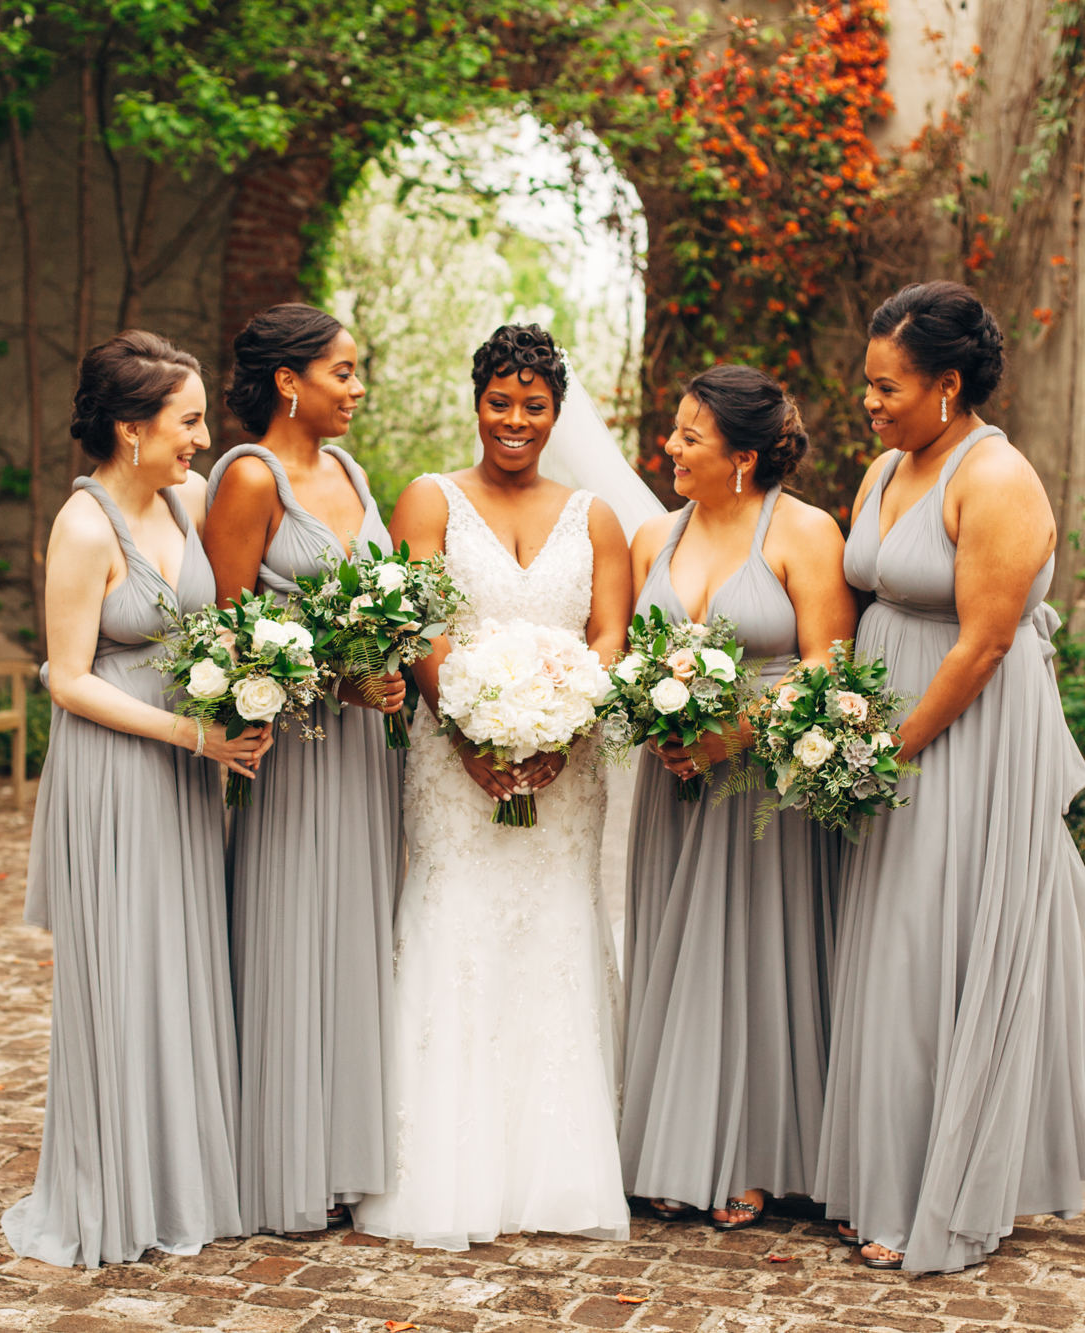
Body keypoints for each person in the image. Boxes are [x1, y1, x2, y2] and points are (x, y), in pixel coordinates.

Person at [819, 281, 1085, 1273]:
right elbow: (859, 597)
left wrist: (892, 747)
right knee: (886, 946)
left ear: (948, 384)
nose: (869, 401)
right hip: (885, 720)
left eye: (888, 386)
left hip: (961, 733)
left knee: (932, 943)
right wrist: (833, 716)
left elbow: (982, 645)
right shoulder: (886, 467)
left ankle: (933, 1190)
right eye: (867, 383)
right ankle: (877, 1171)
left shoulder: (997, 477)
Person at [354, 324, 633, 1251]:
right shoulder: (429, 499)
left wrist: (567, 726)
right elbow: (418, 626)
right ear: (476, 403)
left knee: (554, 929)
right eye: (500, 401)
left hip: (564, 772)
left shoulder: (594, 517)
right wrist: (469, 735)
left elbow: (608, 636)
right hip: (452, 761)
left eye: (534, 405)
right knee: (458, 924)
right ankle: (443, 1168)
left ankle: (559, 1167)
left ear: (557, 412)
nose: (515, 420)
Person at [3, 331, 271, 1265]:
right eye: (188, 421)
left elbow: (219, 615)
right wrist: (192, 734)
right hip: (117, 770)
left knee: (182, 967)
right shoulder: (84, 528)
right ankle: (109, 1192)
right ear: (131, 428)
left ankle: (177, 1182)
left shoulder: (185, 501)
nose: (203, 439)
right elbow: (68, 678)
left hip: (186, 768)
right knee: (123, 974)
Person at [619, 365, 854, 1231]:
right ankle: (675, 1146)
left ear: (743, 457)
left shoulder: (806, 531)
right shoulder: (654, 536)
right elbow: (631, 656)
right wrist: (653, 720)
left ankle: (755, 1157)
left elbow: (828, 662)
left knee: (754, 960)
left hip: (764, 785)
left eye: (690, 436)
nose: (670, 447)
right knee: (677, 953)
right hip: (673, 779)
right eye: (675, 431)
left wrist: (737, 733)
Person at [203, 303, 405, 1237]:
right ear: (289, 381)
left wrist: (388, 663)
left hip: (364, 751)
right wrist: (334, 677)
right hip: (294, 749)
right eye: (343, 372)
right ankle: (286, 1160)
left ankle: (344, 1150)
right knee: (294, 930)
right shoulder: (250, 477)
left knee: (355, 932)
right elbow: (224, 637)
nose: (357, 389)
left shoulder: (352, 472)